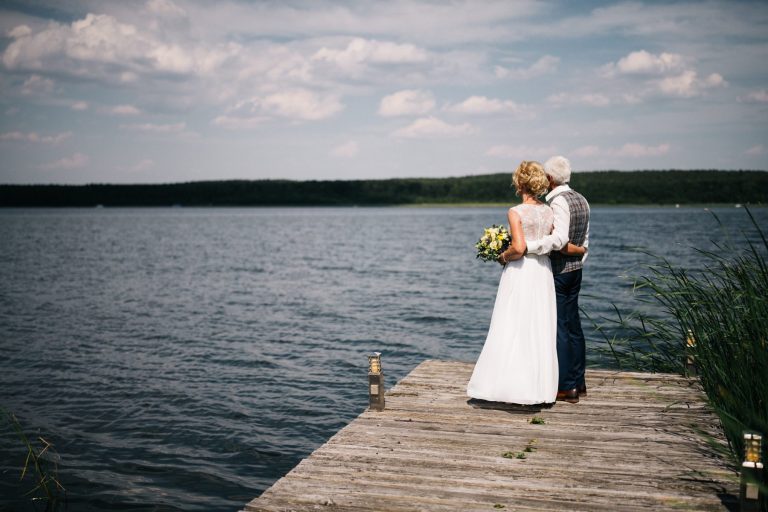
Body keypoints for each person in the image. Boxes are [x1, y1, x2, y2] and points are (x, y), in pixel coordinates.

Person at [466, 161, 582, 405]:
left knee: (513, 323)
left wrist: (503, 255)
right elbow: (558, 241)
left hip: (521, 270)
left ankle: (512, 386)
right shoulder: (549, 211)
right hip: (543, 271)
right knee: (540, 326)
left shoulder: (515, 211)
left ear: (519, 183)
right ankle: (540, 389)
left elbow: (519, 248)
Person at [525, 156, 589, 404]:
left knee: (560, 326)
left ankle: (566, 386)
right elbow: (584, 243)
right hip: (575, 271)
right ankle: (579, 381)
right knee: (573, 325)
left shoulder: (558, 202)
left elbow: (560, 240)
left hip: (561, 272)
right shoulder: (582, 199)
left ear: (550, 179)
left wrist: (532, 246)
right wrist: (580, 255)